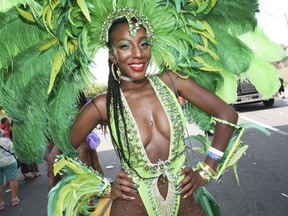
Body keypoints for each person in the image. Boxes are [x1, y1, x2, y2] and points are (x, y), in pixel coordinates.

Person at [69, 17, 238, 216]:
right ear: (112, 55)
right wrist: (104, 187)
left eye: (144, 44)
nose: (138, 53)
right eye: (125, 46)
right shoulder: (102, 105)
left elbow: (227, 115)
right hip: (131, 204)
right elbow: (61, 154)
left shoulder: (172, 82)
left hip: (183, 201)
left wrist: (206, 171)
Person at [0, 129, 20, 211]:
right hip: (9, 162)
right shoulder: (6, 140)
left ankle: (1, 203)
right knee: (12, 180)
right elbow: (13, 150)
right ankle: (14, 199)